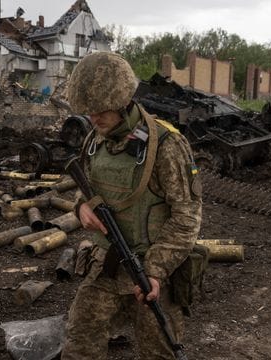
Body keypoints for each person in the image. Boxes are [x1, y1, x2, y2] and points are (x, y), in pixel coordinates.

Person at [61, 51, 203, 359]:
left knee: (159, 351)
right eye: (89, 112)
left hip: (151, 274)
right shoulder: (96, 140)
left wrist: (155, 270)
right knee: (79, 342)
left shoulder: (166, 145)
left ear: (123, 102)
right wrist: (80, 208)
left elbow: (187, 216)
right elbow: (88, 192)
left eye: (101, 110)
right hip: (107, 267)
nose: (93, 118)